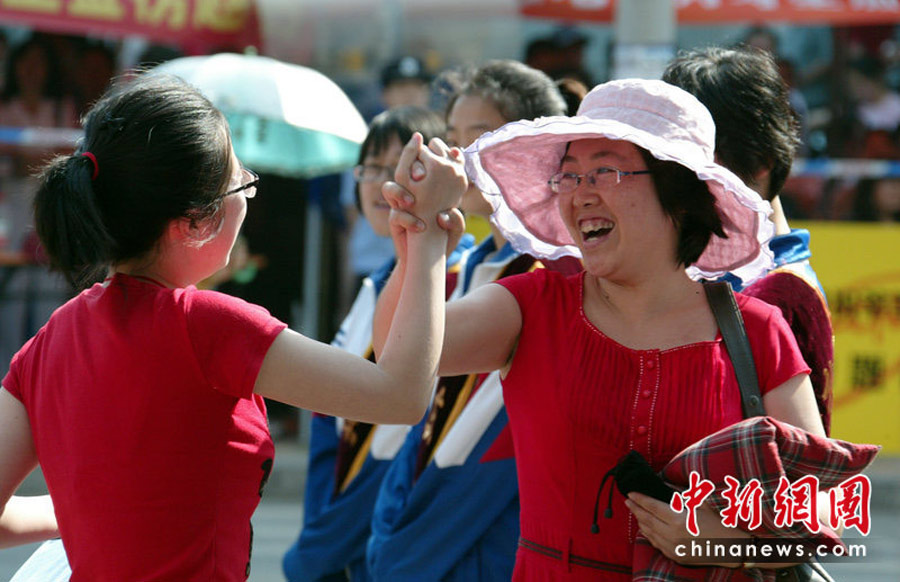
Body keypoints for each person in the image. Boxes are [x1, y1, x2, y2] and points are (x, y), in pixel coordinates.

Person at [0, 73, 464, 581]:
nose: (248, 196)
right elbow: (399, 397)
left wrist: (95, 511)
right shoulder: (208, 326)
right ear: (194, 221)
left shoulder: (52, 337)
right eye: (241, 180)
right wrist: (427, 238)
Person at [375, 78, 826, 580]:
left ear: (679, 193)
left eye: (605, 172)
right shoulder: (531, 306)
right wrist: (418, 242)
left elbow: (821, 515)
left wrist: (725, 542)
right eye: (568, 176)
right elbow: (397, 354)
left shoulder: (758, 331)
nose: (580, 195)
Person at [366, 59, 568, 582]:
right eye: (452, 137)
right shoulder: (474, 262)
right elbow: (398, 360)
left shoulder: (556, 273)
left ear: (535, 147)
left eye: (479, 136)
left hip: (493, 530)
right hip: (428, 518)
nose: (458, 155)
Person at [282, 105, 469, 582]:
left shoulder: (456, 276)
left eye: (401, 168)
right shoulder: (378, 282)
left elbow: (408, 434)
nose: (382, 185)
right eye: (370, 168)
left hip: (385, 528)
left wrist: (318, 548)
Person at [662, 46, 835, 434]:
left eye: (690, 160)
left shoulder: (779, 290)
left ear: (758, 162)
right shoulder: (722, 268)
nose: (672, 177)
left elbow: (795, 457)